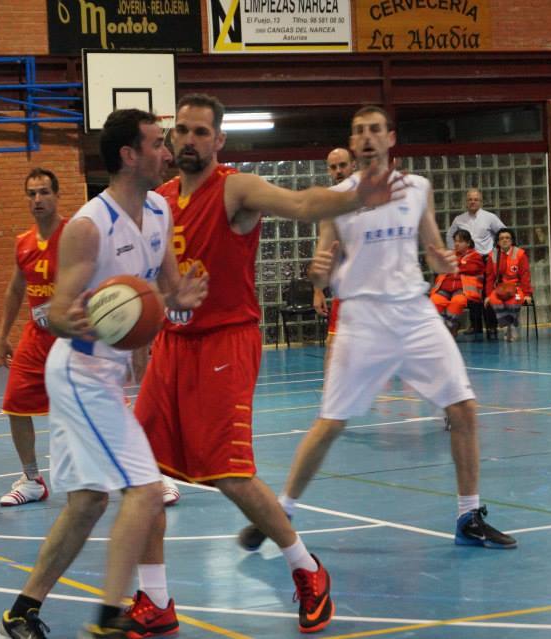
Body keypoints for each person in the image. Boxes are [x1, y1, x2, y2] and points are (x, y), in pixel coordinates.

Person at [129, 93, 406, 637]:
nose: (188, 140)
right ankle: (155, 598)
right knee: (138, 475)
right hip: (171, 346)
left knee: (231, 475)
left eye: (200, 132)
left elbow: (301, 203)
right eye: (181, 130)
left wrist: (354, 199)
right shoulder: (158, 200)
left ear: (219, 140)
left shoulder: (235, 188)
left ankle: (308, 570)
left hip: (225, 342)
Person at [239, 105, 517, 557]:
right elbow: (320, 272)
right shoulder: (338, 199)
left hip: (412, 312)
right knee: (331, 422)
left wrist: (443, 261)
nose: (366, 137)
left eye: (374, 130)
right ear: (353, 144)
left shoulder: (418, 189)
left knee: (463, 408)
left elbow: (431, 248)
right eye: (358, 132)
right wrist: (317, 273)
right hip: (363, 319)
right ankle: (281, 511)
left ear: (390, 138)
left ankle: (469, 516)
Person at [0, 109, 208, 639]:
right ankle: (110, 617)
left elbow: (166, 289)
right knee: (145, 488)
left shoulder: (160, 209)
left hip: (109, 375)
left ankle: (20, 614)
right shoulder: (89, 227)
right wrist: (82, 315)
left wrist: (180, 299)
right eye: (159, 143)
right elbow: (60, 312)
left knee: (88, 502)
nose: (168, 152)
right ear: (129, 156)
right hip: (81, 372)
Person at [0, 168, 66, 507]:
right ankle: (33, 478)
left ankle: (149, 476)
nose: (37, 199)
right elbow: (15, 288)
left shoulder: (75, 236)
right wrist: (2, 334)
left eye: (44, 192)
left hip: (73, 340)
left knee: (109, 410)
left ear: (57, 195)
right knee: (15, 405)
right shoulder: (23, 242)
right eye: (32, 193)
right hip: (36, 339)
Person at [313, 147, 356, 358]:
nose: (338, 171)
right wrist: (318, 289)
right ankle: (334, 391)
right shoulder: (328, 205)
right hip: (346, 287)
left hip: (377, 288)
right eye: (333, 167)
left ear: (353, 166)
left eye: (342, 165)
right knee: (335, 345)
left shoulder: (370, 196)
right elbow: (324, 250)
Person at [447, 189, 505, 340]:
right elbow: (449, 235)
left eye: (476, 199)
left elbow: (502, 232)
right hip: (468, 260)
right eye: (470, 199)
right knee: (472, 294)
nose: (473, 202)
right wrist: (454, 254)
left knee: (487, 294)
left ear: (481, 201)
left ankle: (491, 327)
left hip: (485, 259)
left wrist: (497, 252)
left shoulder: (490, 218)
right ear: (466, 202)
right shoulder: (459, 219)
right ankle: (476, 326)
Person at [431, 229, 485, 337]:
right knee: (434, 301)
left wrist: (456, 265)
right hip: (444, 288)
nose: (456, 244)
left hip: (462, 290)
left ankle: (449, 327)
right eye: (455, 241)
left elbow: (472, 268)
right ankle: (452, 325)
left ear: (468, 243)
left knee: (458, 302)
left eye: (460, 241)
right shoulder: (450, 254)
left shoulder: (476, 256)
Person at [484, 227, 532, 342]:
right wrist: (488, 295)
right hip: (499, 289)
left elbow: (525, 275)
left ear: (512, 240)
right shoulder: (493, 255)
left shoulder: (520, 254)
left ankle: (513, 326)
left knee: (515, 300)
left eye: (507, 238)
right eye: (501, 238)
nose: (504, 240)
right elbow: (490, 277)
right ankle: (507, 325)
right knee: (494, 300)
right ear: (498, 242)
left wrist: (527, 294)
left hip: (517, 289)